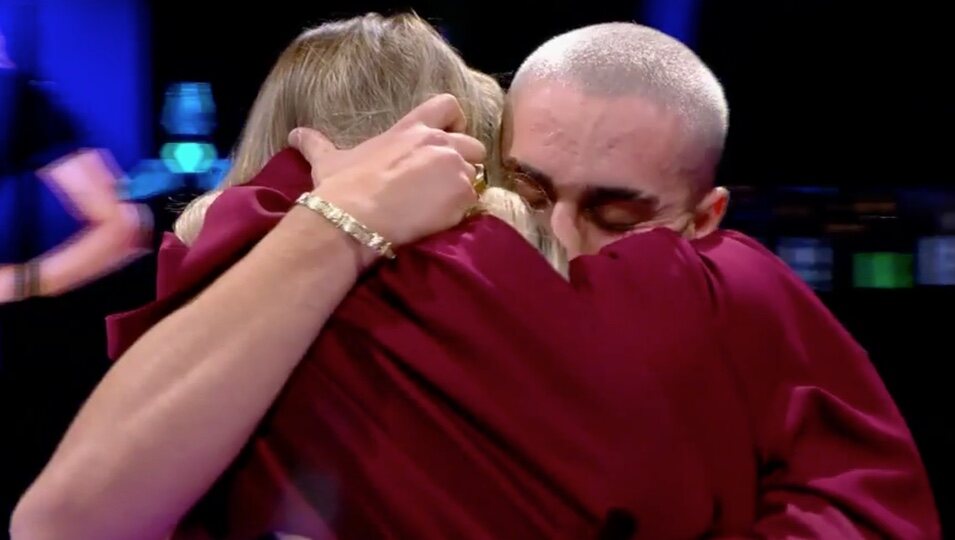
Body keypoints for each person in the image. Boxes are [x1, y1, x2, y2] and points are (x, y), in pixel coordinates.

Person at [13, 18, 940, 540]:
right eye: (534, 192)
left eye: (621, 216)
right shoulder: (300, 270)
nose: (568, 236)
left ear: (704, 221)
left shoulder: (722, 297)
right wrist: (336, 225)